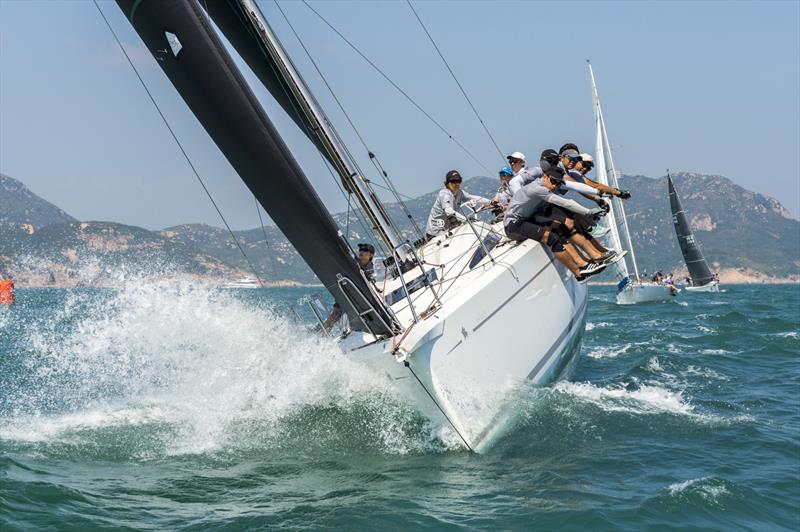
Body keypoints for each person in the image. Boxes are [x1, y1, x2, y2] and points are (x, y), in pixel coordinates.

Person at [504, 157, 608, 280]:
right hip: (513, 225)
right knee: (551, 237)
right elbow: (565, 203)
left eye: (558, 184)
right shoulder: (538, 189)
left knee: (561, 228)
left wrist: (598, 196)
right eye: (553, 182)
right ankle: (579, 272)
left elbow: (577, 186)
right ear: (546, 177)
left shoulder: (545, 185)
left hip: (526, 220)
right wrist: (588, 212)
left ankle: (584, 262)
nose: (555, 186)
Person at [320, 243, 376, 332]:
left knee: (339, 315)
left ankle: (323, 332)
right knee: (335, 315)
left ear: (371, 255)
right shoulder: (354, 263)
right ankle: (321, 334)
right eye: (361, 251)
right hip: (345, 294)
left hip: (356, 297)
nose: (362, 253)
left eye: (365, 251)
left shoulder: (370, 268)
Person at [425, 170, 490, 239]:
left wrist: (491, 202)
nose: (457, 184)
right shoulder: (444, 194)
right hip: (435, 233)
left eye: (459, 181)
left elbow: (473, 198)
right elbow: (448, 210)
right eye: (453, 181)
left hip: (447, 230)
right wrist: (466, 220)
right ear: (448, 183)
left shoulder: (459, 192)